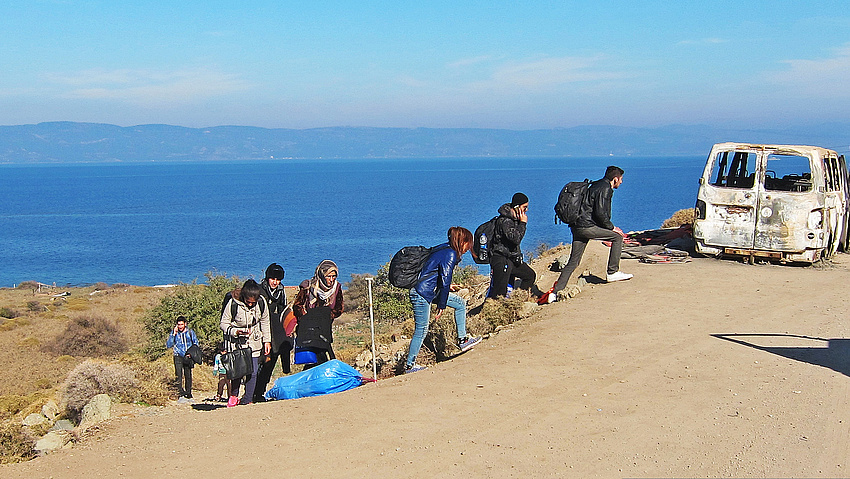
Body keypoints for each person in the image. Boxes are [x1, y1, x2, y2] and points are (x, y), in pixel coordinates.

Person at [405, 226, 483, 374]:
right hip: (422, 293)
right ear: (462, 241)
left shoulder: (444, 249)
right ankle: (410, 366)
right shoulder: (451, 254)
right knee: (421, 330)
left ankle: (463, 340)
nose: (469, 247)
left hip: (428, 290)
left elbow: (436, 274)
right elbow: (445, 280)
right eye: (468, 243)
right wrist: (441, 305)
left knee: (460, 303)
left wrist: (447, 288)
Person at [551, 165, 633, 300]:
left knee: (573, 261)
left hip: (577, 226)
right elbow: (600, 213)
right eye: (621, 179)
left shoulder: (595, 185)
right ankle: (613, 272)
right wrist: (612, 228)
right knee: (617, 237)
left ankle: (555, 292)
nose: (621, 182)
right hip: (587, 227)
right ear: (615, 178)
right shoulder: (605, 189)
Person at [220, 279, 271, 407]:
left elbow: (265, 322)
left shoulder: (261, 303)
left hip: (254, 342)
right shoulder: (233, 303)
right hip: (237, 344)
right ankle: (233, 396)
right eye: (248, 302)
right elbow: (223, 323)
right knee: (238, 371)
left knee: (252, 372)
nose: (250, 305)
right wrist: (236, 332)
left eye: (253, 303)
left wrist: (267, 341)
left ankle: (248, 399)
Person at [488, 192, 542, 299]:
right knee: (500, 293)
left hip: (512, 259)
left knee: (529, 275)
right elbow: (515, 239)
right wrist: (523, 223)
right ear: (517, 207)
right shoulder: (505, 221)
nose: (526, 210)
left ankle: (518, 299)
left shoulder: (514, 219)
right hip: (501, 259)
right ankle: (496, 311)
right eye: (524, 207)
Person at [292, 260, 343, 369]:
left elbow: (338, 308)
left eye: (334, 276)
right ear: (322, 275)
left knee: (321, 357)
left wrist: (328, 316)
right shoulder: (308, 287)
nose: (331, 279)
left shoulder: (336, 288)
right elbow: (297, 306)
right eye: (329, 276)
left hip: (324, 330)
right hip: (308, 330)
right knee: (312, 358)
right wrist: (306, 318)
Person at [253, 263, 291, 402]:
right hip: (260, 332)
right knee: (258, 364)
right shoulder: (259, 291)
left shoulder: (281, 292)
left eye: (278, 279)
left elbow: (283, 311)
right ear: (268, 278)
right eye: (273, 279)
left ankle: (259, 393)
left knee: (270, 364)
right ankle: (251, 392)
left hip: (275, 332)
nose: (275, 282)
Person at [165, 316, 199, 399]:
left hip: (188, 356)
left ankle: (188, 392)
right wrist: (173, 334)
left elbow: (196, 343)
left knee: (188, 375)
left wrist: (191, 353)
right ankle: (179, 392)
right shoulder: (174, 333)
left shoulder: (190, 332)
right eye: (178, 324)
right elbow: (169, 345)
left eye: (181, 324)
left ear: (185, 324)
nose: (180, 326)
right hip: (177, 355)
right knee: (178, 375)